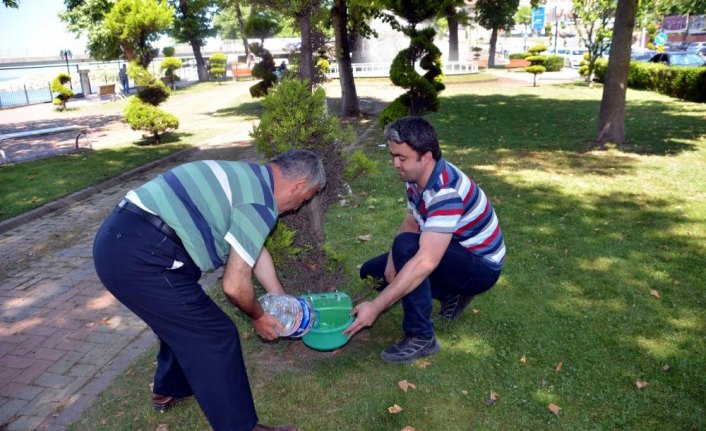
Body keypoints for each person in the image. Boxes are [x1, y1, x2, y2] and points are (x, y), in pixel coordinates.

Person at [93, 150, 326, 431]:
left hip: (123, 239)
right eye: (305, 198)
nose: (297, 207)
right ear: (299, 185)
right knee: (216, 334)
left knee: (183, 318)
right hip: (142, 253)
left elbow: (252, 248)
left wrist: (280, 296)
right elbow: (234, 286)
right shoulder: (260, 202)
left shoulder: (249, 179)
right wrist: (259, 315)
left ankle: (170, 387)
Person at [343, 117, 505, 363]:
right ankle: (452, 294)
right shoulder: (416, 178)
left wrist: (375, 307)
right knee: (373, 273)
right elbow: (411, 221)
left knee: (407, 250)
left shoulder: (445, 192)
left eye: (402, 158)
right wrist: (391, 261)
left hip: (481, 267)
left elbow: (425, 261)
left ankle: (421, 336)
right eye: (393, 156)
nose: (395, 164)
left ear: (426, 157)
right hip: (454, 250)